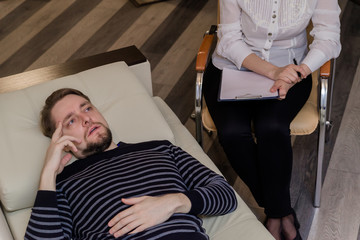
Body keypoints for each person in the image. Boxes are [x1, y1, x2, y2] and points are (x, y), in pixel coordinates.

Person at [202, 1, 341, 240]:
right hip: (232, 67)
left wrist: (299, 71)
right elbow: (228, 39)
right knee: (233, 133)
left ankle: (276, 214)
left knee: (272, 127)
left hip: (291, 70)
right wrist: (271, 72)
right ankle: (281, 212)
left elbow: (329, 37)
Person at [24, 88, 237, 240]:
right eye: (71, 120)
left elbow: (226, 195)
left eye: (87, 108)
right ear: (63, 141)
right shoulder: (62, 184)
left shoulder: (160, 148)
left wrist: (174, 202)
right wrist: (48, 174)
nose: (86, 119)